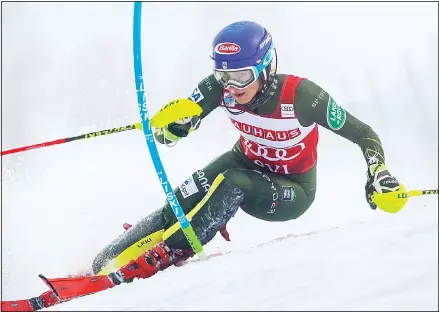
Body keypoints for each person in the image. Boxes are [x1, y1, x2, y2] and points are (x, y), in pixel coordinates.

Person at [91, 20, 401, 284]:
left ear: (266, 68)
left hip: (292, 189)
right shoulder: (218, 88)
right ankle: (112, 255)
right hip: (246, 159)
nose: (232, 87)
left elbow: (363, 133)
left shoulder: (302, 96)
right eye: (223, 76)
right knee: (181, 198)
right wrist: (173, 129)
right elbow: (165, 136)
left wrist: (379, 172)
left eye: (242, 76)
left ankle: (172, 251)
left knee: (234, 181)